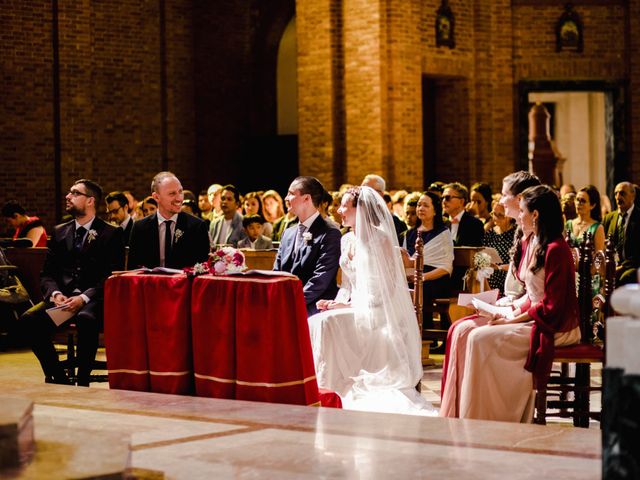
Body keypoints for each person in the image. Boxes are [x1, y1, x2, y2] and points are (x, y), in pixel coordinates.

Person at [442, 185, 580, 422]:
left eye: (523, 210)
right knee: (465, 330)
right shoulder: (535, 242)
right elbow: (531, 294)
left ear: (535, 214)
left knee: (480, 338)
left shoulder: (556, 248)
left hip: (555, 325)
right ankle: (464, 412)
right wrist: (507, 310)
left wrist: (511, 318)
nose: (518, 216)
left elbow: (552, 304)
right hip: (536, 314)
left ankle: (494, 416)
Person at [308, 186, 437, 416]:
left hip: (379, 309)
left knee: (328, 324)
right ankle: (328, 388)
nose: (339, 210)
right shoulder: (346, 239)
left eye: (345, 206)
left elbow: (387, 288)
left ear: (361, 210)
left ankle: (343, 383)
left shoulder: (381, 239)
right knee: (319, 320)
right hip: (355, 304)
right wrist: (335, 302)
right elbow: (348, 284)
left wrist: (349, 306)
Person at [441, 170, 540, 416]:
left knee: (472, 335)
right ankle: (457, 409)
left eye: (505, 194)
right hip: (513, 303)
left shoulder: (538, 239)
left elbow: (534, 292)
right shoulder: (522, 233)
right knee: (458, 330)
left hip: (525, 311)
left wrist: (506, 309)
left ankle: (484, 412)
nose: (501, 199)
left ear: (520, 200)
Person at [20, 179, 125, 386]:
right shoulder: (60, 231)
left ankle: (83, 380)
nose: (68, 196)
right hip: (63, 300)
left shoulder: (111, 233)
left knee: (86, 318)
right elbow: (47, 274)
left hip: (93, 300)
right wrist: (55, 294)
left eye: (75, 193)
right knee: (28, 320)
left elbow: (111, 276)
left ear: (90, 201)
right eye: (69, 192)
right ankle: (59, 377)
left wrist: (84, 298)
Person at [273, 176, 341, 316]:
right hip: (286, 304)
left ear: (306, 198)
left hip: (316, 306)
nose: (286, 198)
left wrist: (292, 303)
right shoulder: (288, 233)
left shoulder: (330, 233)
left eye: (291, 194)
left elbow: (321, 278)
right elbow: (276, 271)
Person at [128, 172, 210, 269]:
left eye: (180, 192)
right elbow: (133, 268)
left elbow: (202, 268)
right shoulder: (140, 227)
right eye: (172, 193)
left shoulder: (197, 226)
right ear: (156, 197)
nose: (179, 198)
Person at [401, 191, 454, 330]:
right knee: (398, 289)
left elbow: (446, 267)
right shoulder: (410, 233)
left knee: (421, 289)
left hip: (435, 279)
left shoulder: (443, 233)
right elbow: (407, 262)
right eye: (419, 205)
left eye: (425, 205)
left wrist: (423, 277)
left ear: (435, 210)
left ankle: (422, 334)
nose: (421, 208)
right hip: (413, 277)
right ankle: (406, 333)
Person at [602, 181, 640, 285]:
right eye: (616, 193)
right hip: (611, 263)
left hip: (632, 266)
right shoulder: (609, 218)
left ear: (633, 195)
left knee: (625, 277)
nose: (618, 197)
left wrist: (621, 268)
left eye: (622, 193)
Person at [482, 202, 516, 294]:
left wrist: (499, 267)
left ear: (510, 215)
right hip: (489, 284)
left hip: (510, 284)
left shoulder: (517, 234)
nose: (495, 218)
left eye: (500, 215)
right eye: (494, 214)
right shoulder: (489, 234)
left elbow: (520, 264)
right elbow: (481, 261)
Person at [565, 185, 605, 252]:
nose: (578, 203)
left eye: (583, 201)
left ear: (592, 205)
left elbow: (598, 256)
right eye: (577, 200)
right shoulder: (568, 224)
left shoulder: (597, 228)